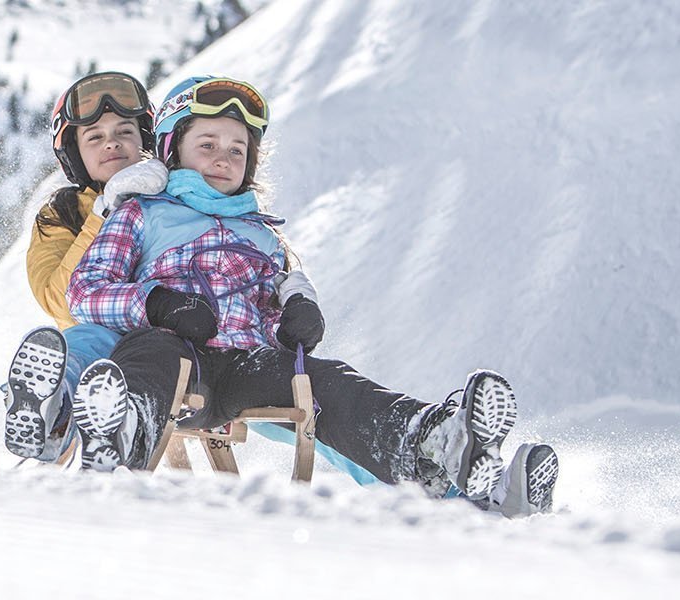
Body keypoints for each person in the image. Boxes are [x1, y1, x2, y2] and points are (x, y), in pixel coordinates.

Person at [65, 75, 558, 516]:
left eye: (238, 150)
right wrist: (157, 305)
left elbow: (287, 284)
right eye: (208, 143)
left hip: (245, 364)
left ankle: (437, 440)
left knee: (325, 381)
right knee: (151, 354)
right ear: (173, 150)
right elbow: (85, 290)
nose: (223, 157)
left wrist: (300, 308)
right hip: (174, 354)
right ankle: (120, 433)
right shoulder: (142, 213)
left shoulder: (263, 234)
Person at [2, 72, 167, 464]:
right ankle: (47, 411)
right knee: (84, 341)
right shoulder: (61, 215)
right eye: (94, 136)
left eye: (125, 131)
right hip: (96, 340)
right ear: (75, 153)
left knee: (134, 351)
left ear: (146, 140)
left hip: (167, 339)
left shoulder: (177, 197)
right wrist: (104, 211)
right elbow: (60, 302)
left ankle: (81, 423)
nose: (112, 142)